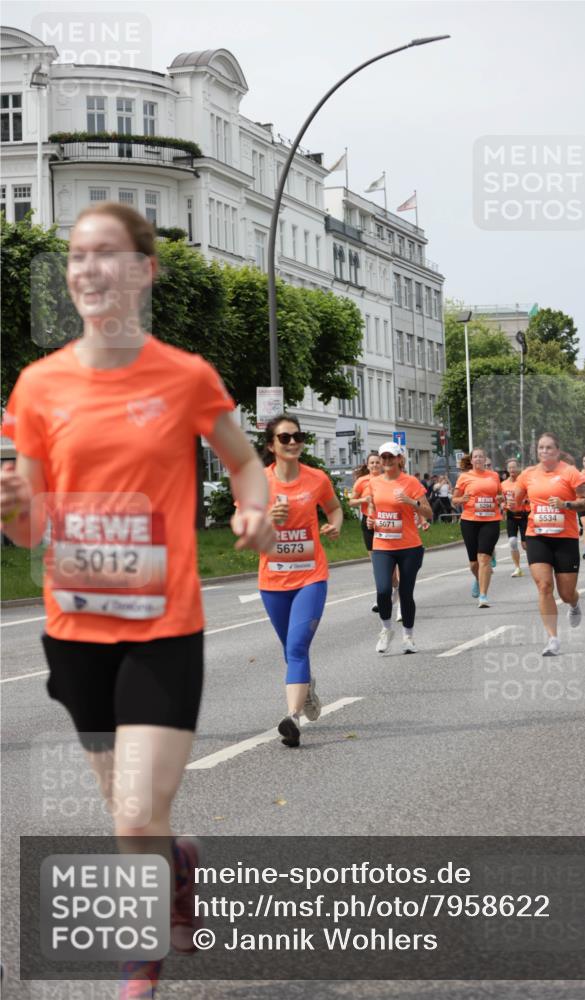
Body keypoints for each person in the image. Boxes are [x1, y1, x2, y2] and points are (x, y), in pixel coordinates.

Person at [0, 202, 276, 999]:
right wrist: (16, 505)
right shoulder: (39, 384)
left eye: (108, 254)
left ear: (144, 271)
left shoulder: (184, 375)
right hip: (76, 629)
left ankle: (140, 952)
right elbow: (29, 534)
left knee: (130, 814)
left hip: (165, 627)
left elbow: (244, 461)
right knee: (138, 819)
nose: (88, 269)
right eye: (77, 256)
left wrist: (251, 507)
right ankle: (179, 865)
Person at [258, 415, 342, 748]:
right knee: (291, 650)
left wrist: (334, 525)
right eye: (284, 438)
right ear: (271, 445)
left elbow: (334, 508)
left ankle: (291, 718)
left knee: (296, 648)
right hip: (272, 580)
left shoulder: (317, 479)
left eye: (298, 436)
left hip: (311, 576)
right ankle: (307, 685)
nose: (292, 442)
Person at [512, 432, 585, 656]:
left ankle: (574, 604)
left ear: (557, 451)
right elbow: (515, 502)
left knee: (566, 593)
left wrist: (565, 503)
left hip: (565, 537)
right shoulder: (528, 474)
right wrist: (510, 502)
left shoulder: (570, 473)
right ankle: (553, 639)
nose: (544, 451)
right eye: (541, 448)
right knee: (544, 586)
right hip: (537, 535)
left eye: (549, 448)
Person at [364, 442, 432, 653]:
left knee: (405, 591)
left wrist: (411, 502)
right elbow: (373, 509)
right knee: (383, 590)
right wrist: (370, 520)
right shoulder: (374, 483)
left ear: (399, 459)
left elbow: (428, 513)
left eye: (390, 457)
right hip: (382, 544)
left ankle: (408, 637)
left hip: (409, 546)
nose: (386, 461)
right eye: (383, 457)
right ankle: (386, 630)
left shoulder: (411, 482)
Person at [452, 447, 502, 608]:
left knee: (484, 558)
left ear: (485, 459)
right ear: (472, 460)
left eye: (481, 457)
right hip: (470, 521)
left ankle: (483, 596)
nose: (479, 459)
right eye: (476, 457)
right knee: (474, 563)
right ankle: (478, 577)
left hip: (491, 520)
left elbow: (500, 495)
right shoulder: (464, 477)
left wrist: (500, 498)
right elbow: (454, 499)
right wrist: (462, 499)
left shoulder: (494, 476)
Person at [349, 452, 390, 612]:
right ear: (367, 465)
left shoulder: (388, 479)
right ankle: (380, 597)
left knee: (391, 565)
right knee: (377, 565)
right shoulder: (362, 481)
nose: (374, 465)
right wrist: (362, 500)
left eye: (377, 462)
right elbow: (351, 502)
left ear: (381, 464)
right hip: (368, 522)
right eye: (371, 463)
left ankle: (394, 591)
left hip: (387, 522)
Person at [500, 459, 529, 577]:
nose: (512, 470)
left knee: (525, 545)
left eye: (514, 467)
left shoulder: (523, 483)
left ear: (518, 469)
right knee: (512, 542)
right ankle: (517, 568)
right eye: (510, 468)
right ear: (507, 469)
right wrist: (502, 505)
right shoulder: (503, 484)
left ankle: (533, 563)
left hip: (523, 515)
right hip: (511, 515)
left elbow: (532, 495)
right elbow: (501, 499)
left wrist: (526, 500)